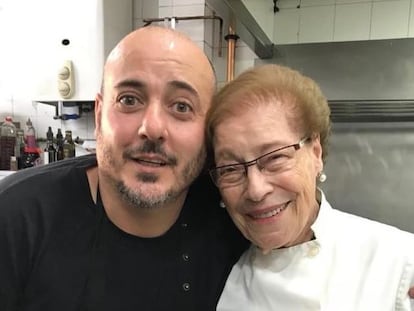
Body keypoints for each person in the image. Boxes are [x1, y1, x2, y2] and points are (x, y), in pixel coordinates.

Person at [0, 26, 247, 310]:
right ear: (99, 113)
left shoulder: (232, 218)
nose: (152, 128)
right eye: (129, 100)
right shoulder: (16, 218)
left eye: (181, 106)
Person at [205, 63, 414, 310]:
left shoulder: (397, 262)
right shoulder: (216, 275)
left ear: (316, 153)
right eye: (231, 169)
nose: (256, 190)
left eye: (275, 158)